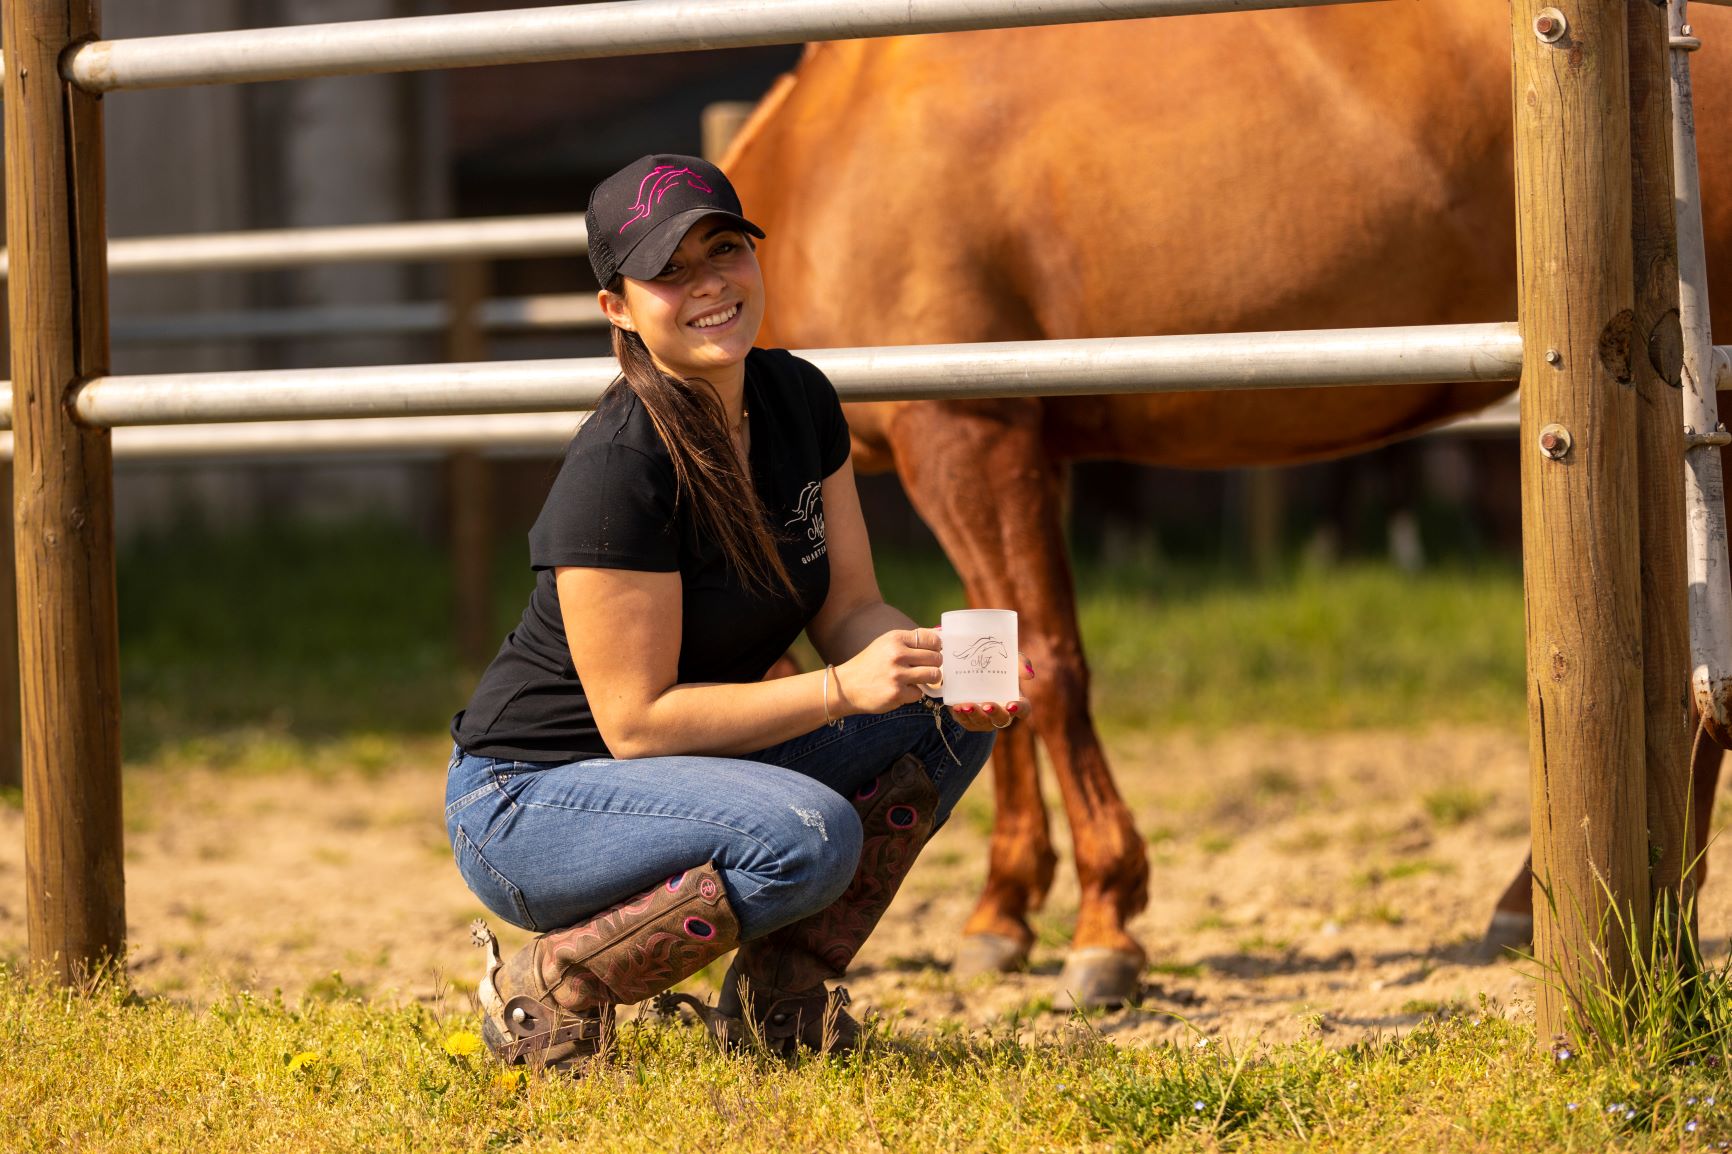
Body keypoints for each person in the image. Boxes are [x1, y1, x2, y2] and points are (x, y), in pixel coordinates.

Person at [445, 154, 1033, 1073]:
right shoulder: (620, 469)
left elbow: (852, 609)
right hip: (532, 798)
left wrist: (931, 664)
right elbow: (636, 727)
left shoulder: (798, 398)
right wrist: (842, 691)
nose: (708, 284)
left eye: (725, 249)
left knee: (942, 715)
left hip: (681, 768)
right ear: (618, 309)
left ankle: (776, 1000)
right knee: (806, 835)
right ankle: (558, 982)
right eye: (668, 269)